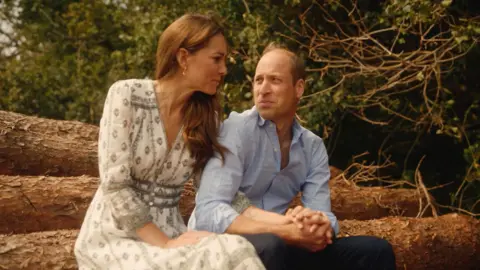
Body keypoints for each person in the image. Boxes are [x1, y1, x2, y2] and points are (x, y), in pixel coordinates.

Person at [74, 13, 265, 270]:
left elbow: (217, 188)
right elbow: (115, 186)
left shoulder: (207, 118)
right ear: (183, 57)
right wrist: (164, 243)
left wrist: (277, 222)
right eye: (216, 59)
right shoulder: (126, 95)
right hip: (113, 237)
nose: (224, 69)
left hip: (172, 234)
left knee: (238, 248)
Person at [189, 43, 396, 270]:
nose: (263, 89)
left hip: (284, 242)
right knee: (271, 244)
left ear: (298, 88)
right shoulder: (236, 130)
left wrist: (318, 224)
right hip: (224, 246)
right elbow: (209, 211)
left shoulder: (312, 146)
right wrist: (284, 229)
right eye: (259, 80)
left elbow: (323, 213)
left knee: (374, 251)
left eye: (274, 80)